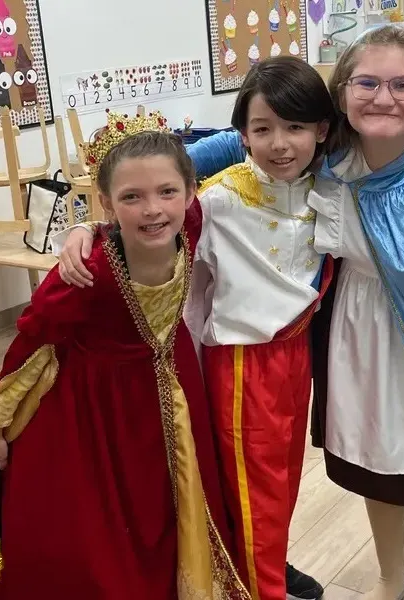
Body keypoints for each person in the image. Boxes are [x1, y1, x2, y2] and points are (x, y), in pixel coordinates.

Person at [80, 25, 404, 600]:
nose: (383, 97)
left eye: (401, 84)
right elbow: (230, 142)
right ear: (341, 94)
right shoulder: (333, 148)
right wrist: (126, 201)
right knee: (374, 457)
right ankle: (392, 580)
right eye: (366, 83)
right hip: (354, 333)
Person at [53, 57, 335, 600]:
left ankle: (266, 563)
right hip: (241, 362)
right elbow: (149, 220)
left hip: (297, 356)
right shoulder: (219, 202)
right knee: (255, 490)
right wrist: (89, 228)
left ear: (321, 130)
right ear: (241, 135)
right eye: (262, 129)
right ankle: (260, 585)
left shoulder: (328, 187)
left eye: (296, 127)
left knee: (278, 482)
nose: (280, 144)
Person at [0, 122, 249, 600]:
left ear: (191, 192)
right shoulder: (88, 272)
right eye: (131, 197)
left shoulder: (189, 222)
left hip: (172, 384)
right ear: (106, 202)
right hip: (100, 409)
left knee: (174, 505)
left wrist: (85, 224)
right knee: (110, 521)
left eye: (167, 191)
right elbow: (30, 342)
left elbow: (235, 141)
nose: (152, 209)